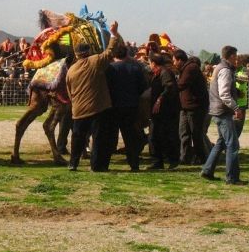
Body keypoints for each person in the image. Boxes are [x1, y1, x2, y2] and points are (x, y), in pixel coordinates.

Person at [66, 21, 121, 171]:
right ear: (88, 51)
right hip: (98, 108)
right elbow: (110, 51)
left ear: (77, 55)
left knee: (77, 138)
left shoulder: (71, 70)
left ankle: (73, 163)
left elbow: (69, 91)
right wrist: (114, 34)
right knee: (98, 138)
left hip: (78, 110)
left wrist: (76, 104)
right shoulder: (95, 61)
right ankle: (96, 166)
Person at [200, 45, 246, 184]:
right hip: (223, 111)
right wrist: (236, 108)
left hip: (217, 109)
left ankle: (207, 170)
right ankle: (232, 177)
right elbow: (224, 94)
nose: (237, 59)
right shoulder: (225, 70)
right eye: (236, 56)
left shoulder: (219, 68)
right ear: (231, 56)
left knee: (221, 143)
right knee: (232, 144)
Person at [106, 43, 148, 171]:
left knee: (110, 137)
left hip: (113, 107)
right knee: (130, 137)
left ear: (114, 55)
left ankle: (104, 163)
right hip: (131, 107)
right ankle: (134, 164)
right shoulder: (135, 69)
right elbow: (143, 87)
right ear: (126, 54)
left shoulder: (109, 69)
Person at [173, 50, 209, 165]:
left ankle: (201, 157)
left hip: (195, 107)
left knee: (195, 134)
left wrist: (167, 88)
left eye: (174, 60)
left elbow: (181, 84)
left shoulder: (191, 68)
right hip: (186, 107)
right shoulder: (185, 69)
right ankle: (185, 157)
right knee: (184, 133)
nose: (173, 63)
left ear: (179, 60)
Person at [148, 54, 180, 170]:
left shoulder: (165, 73)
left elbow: (169, 87)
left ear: (154, 63)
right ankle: (158, 161)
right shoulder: (157, 74)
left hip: (165, 111)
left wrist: (159, 99)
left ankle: (170, 160)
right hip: (160, 112)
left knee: (161, 136)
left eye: (150, 62)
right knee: (156, 136)